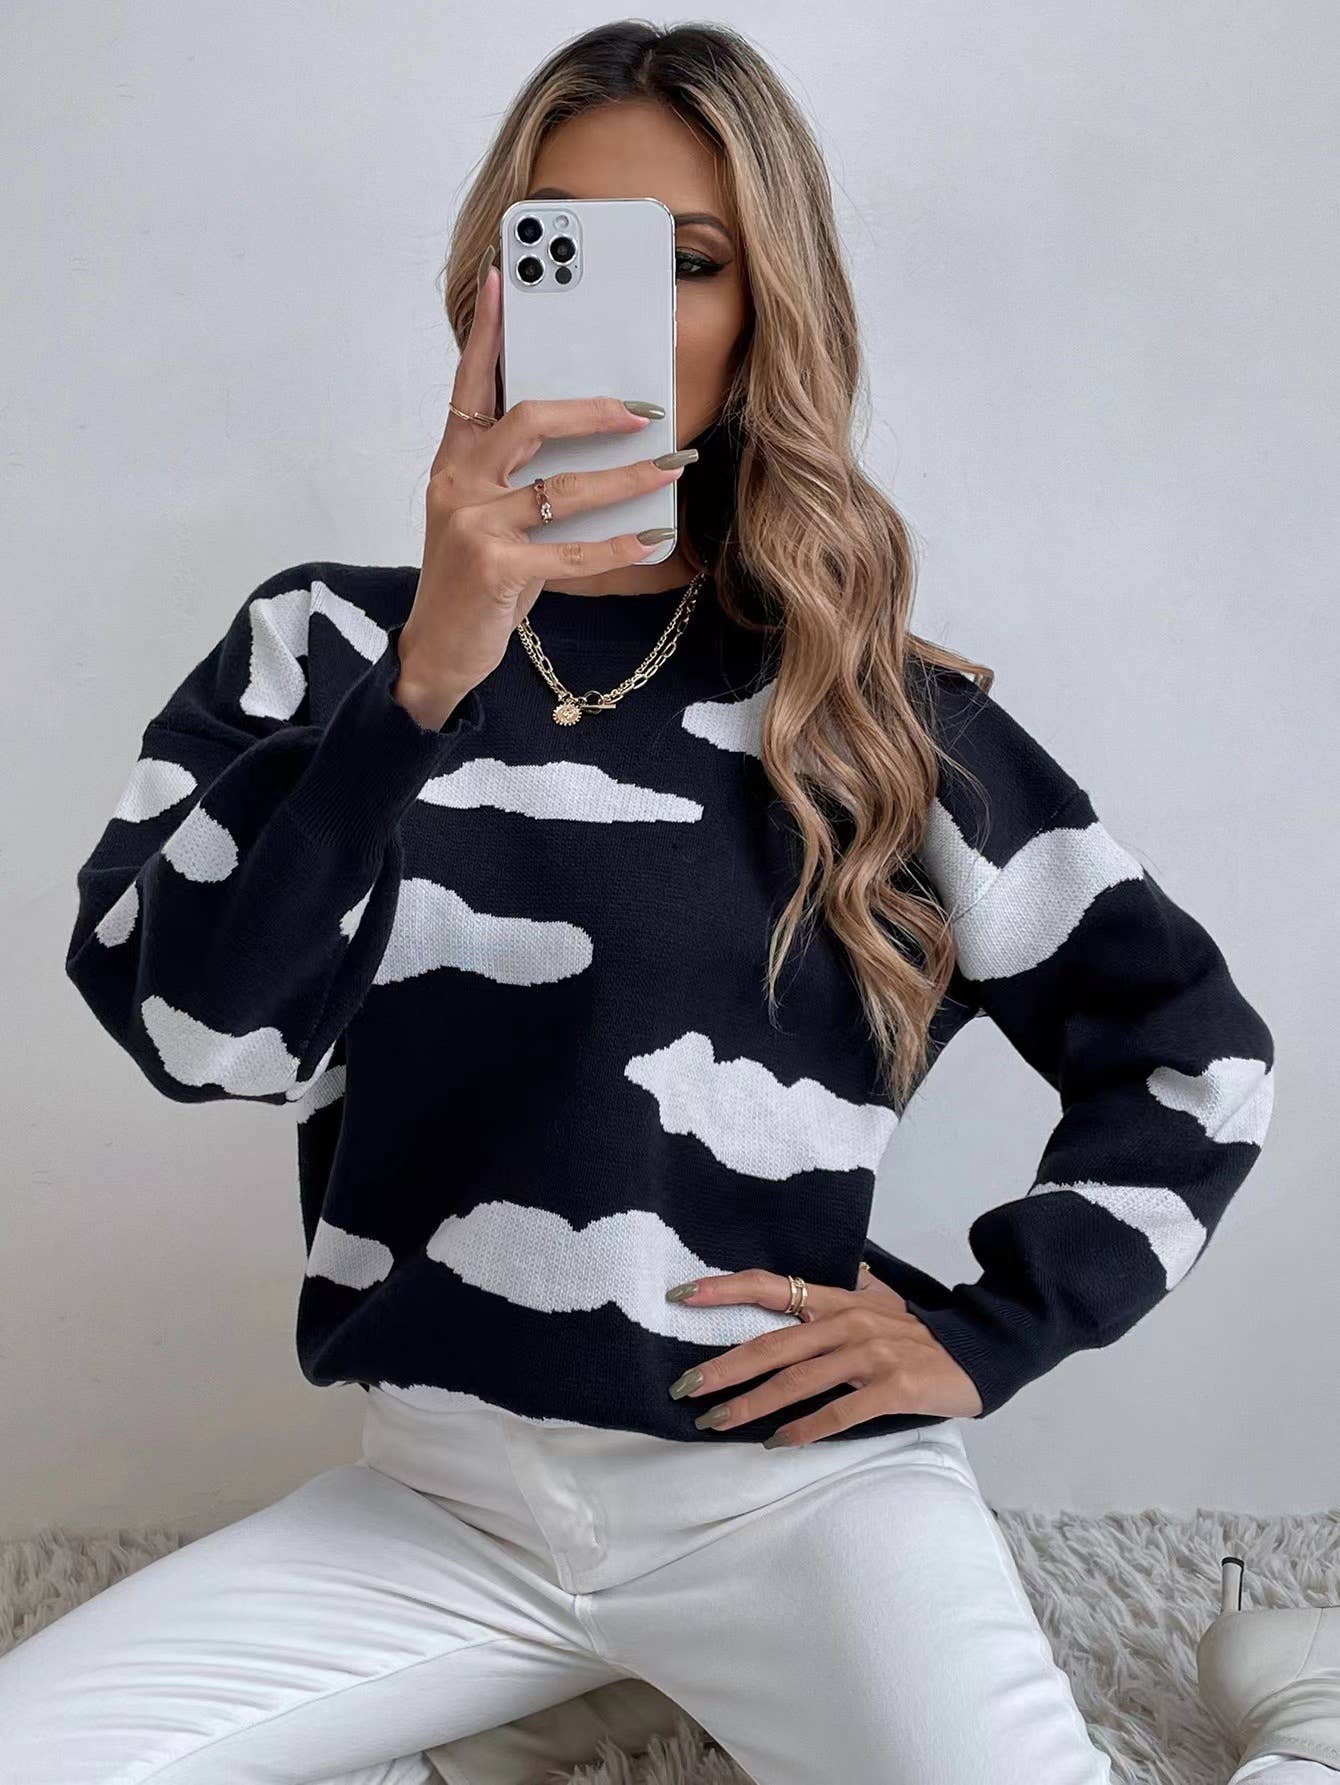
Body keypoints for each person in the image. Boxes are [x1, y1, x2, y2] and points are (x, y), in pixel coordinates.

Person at [4, 20, 1293, 1785]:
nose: (627, 311)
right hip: (439, 1501)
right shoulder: (320, 647)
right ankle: (579, 1686)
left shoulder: (874, 710)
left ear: (766, 315)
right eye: (566, 251)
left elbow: (1199, 1059)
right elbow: (196, 1035)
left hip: (791, 1495)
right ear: (491, 289)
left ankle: (1302, 1702)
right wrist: (420, 685)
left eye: (689, 263)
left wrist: (981, 1329)